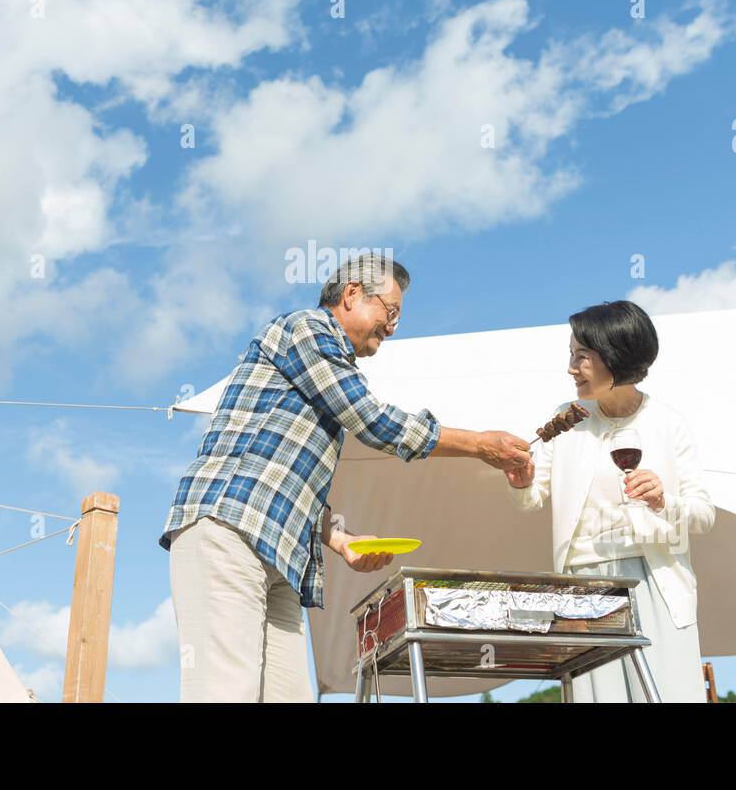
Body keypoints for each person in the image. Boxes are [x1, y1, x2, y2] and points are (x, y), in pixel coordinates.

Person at [160, 252, 535, 702]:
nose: (393, 327)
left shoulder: (327, 368)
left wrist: (339, 540)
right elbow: (370, 419)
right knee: (224, 691)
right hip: (228, 530)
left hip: (280, 556)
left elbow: (287, 482)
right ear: (352, 293)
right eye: (390, 311)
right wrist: (479, 445)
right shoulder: (306, 329)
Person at [509, 300, 716, 702]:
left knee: (666, 694)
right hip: (585, 586)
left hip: (655, 580)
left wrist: (663, 500)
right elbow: (530, 500)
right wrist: (521, 482)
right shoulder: (565, 419)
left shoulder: (667, 422)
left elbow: (704, 514)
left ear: (615, 357)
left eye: (581, 357)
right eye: (571, 355)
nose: (571, 368)